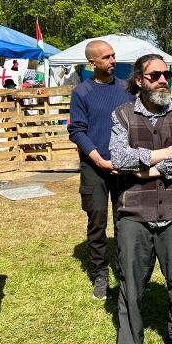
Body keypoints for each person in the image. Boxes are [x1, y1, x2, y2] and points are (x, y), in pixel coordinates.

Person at [109, 54, 172, 344]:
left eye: (167, 74)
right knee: (132, 286)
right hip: (135, 212)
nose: (163, 80)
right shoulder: (121, 115)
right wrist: (164, 153)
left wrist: (144, 170)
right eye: (155, 76)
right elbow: (119, 159)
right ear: (139, 80)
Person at [68, 40, 135, 300]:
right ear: (92, 62)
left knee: (125, 220)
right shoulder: (82, 93)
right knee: (97, 221)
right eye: (106, 57)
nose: (112, 60)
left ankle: (125, 269)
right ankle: (100, 273)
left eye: (113, 55)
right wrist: (98, 160)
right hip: (94, 167)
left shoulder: (127, 90)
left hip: (123, 166)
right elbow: (77, 131)